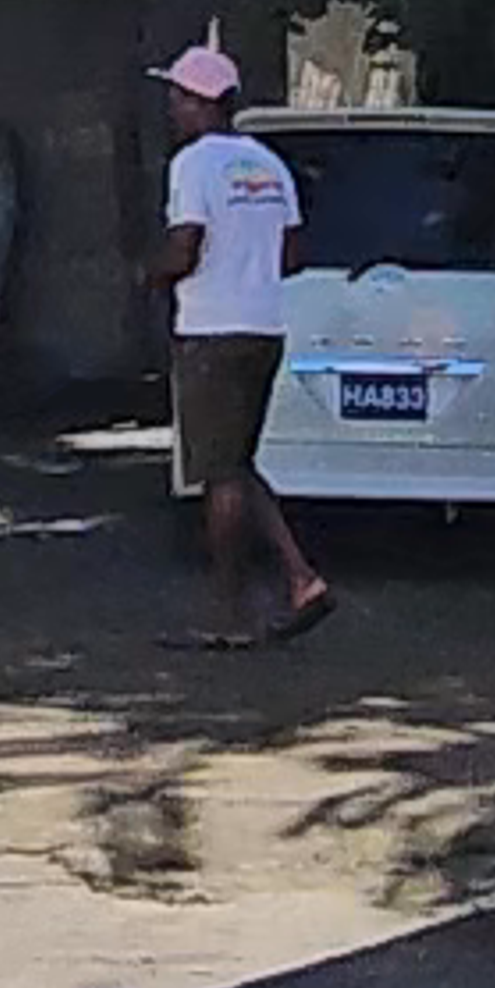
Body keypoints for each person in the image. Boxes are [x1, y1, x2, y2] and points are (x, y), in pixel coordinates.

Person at [150, 37, 331, 648]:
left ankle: (228, 614)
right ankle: (302, 579)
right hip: (264, 327)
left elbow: (185, 247)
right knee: (238, 465)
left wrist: (148, 274)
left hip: (210, 332)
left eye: (177, 96)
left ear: (202, 103)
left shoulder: (192, 165)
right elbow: (293, 252)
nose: (172, 107)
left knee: (219, 476)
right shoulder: (268, 164)